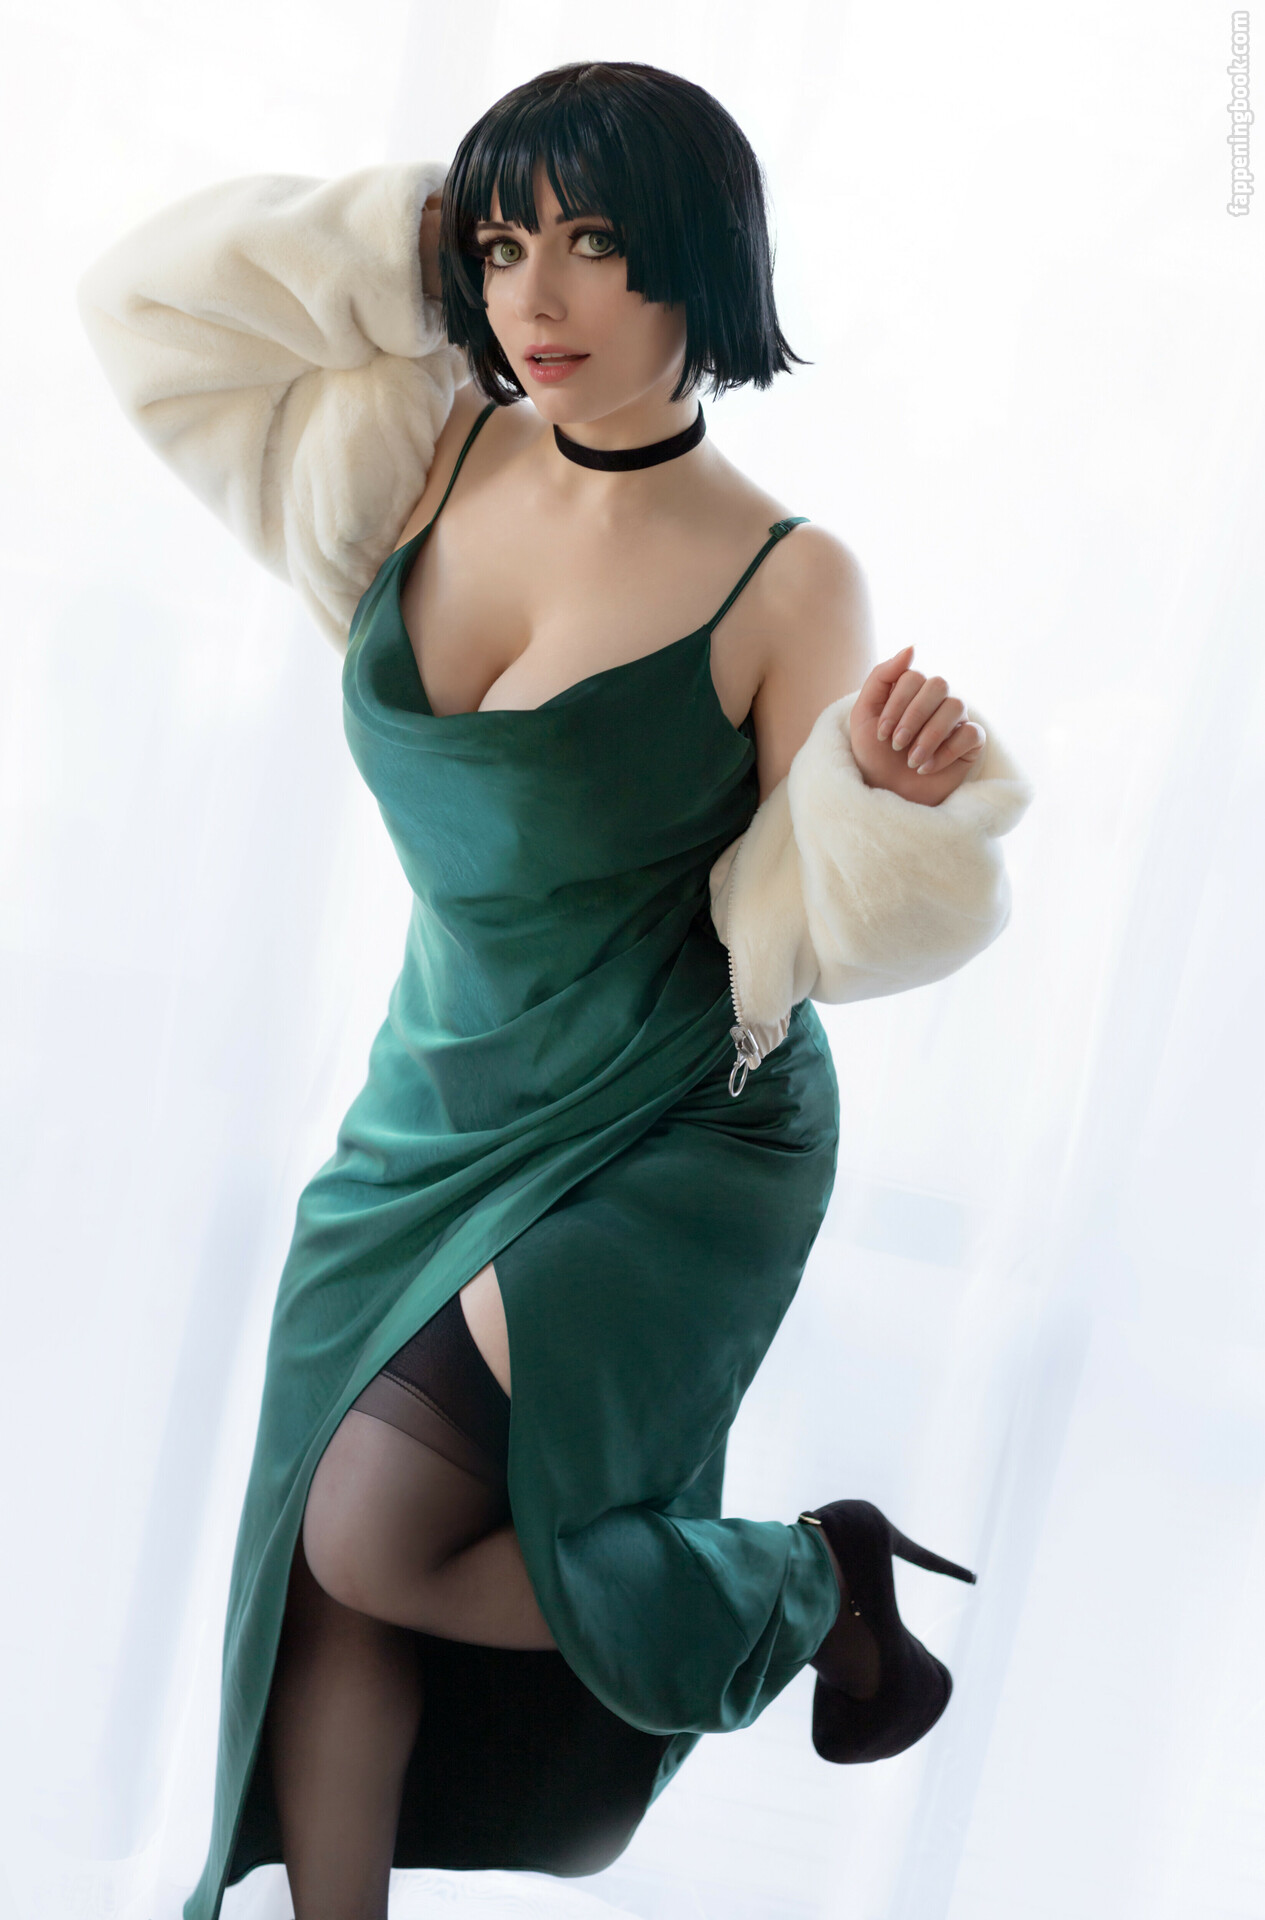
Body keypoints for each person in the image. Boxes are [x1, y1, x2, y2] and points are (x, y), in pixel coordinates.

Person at [78, 58, 1032, 1920]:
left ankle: (809, 1586)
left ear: (696, 259)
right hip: (435, 1097)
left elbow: (807, 926)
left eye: (592, 243)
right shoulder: (424, 448)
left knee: (374, 1524)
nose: (537, 296)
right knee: (322, 1581)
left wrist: (878, 807)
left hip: (677, 1119)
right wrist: (407, 236)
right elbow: (149, 308)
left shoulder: (784, 575)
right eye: (504, 247)